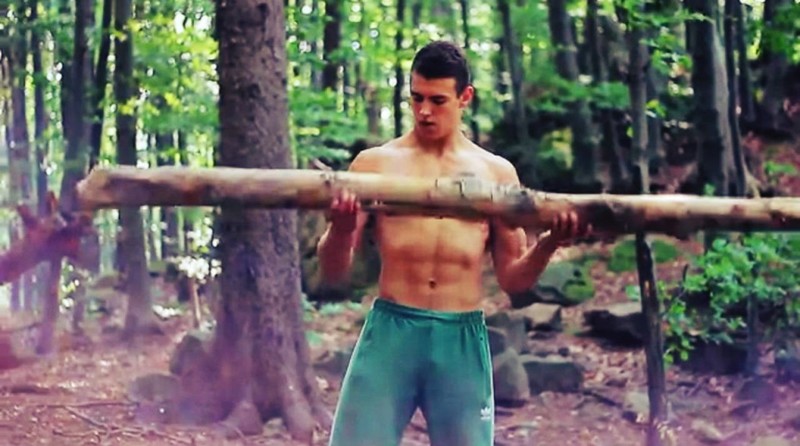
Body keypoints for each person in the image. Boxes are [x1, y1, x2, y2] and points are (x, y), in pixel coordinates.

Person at [316, 40, 590, 446]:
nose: (424, 111)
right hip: (392, 331)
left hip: (459, 337)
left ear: (465, 97)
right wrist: (340, 229)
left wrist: (550, 243)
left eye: (438, 100)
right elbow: (333, 272)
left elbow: (513, 280)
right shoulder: (375, 165)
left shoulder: (496, 174)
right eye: (417, 98)